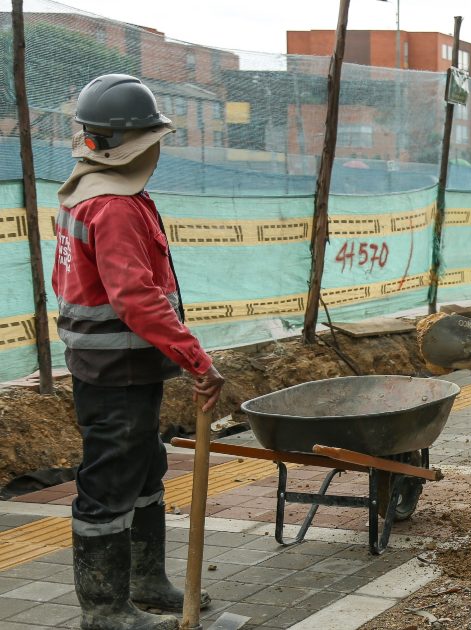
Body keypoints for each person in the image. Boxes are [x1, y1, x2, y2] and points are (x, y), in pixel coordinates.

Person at [52, 74, 225, 630]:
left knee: (144, 470)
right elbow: (135, 297)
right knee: (110, 484)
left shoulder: (88, 192)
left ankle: (147, 582)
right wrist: (195, 358)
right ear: (137, 143)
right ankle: (104, 609)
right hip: (115, 370)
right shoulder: (115, 207)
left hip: (117, 365)